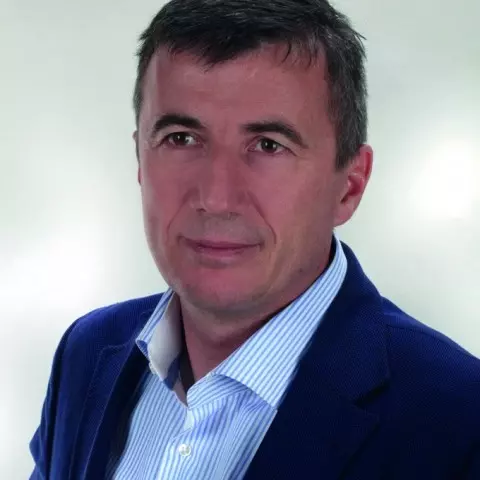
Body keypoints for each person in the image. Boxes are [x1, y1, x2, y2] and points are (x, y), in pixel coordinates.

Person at [29, 0, 480, 478]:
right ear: (140, 158)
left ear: (350, 186)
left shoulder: (459, 422)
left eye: (268, 145)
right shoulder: (86, 355)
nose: (216, 198)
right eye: (181, 138)